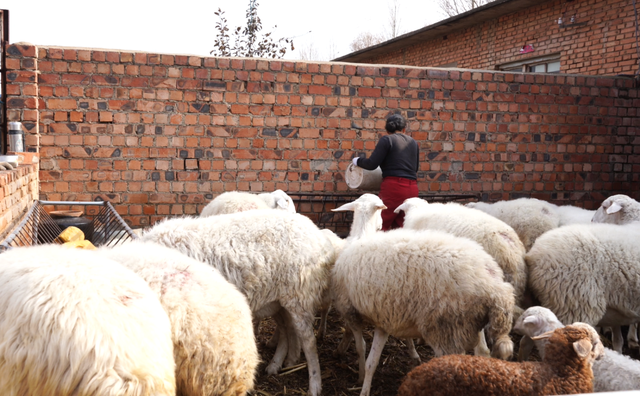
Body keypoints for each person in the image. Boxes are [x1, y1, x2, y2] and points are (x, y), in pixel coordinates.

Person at [352, 114, 420, 231]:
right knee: (403, 228)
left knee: (378, 224)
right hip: (412, 188)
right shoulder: (413, 143)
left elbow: (371, 164)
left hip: (393, 188)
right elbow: (416, 168)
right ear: (404, 129)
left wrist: (357, 161)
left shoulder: (387, 140)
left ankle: (371, 249)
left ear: (387, 130)